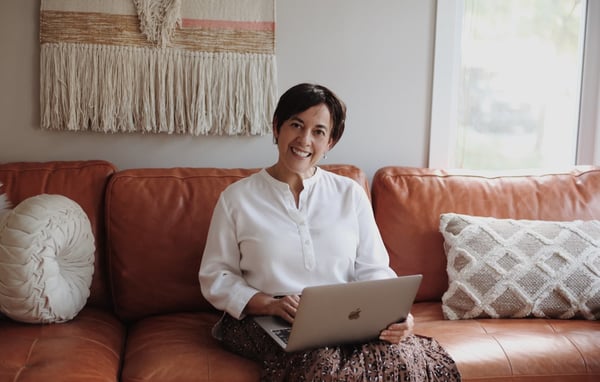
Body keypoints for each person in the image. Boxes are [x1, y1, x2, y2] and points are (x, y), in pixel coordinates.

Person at [199, 83, 461, 381]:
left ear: (331, 142)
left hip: (345, 320)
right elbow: (216, 275)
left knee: (401, 356)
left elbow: (373, 268)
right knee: (321, 361)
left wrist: (396, 316)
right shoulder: (237, 198)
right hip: (263, 318)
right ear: (277, 128)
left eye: (318, 131)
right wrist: (268, 303)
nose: (304, 139)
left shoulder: (349, 194)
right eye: (295, 125)